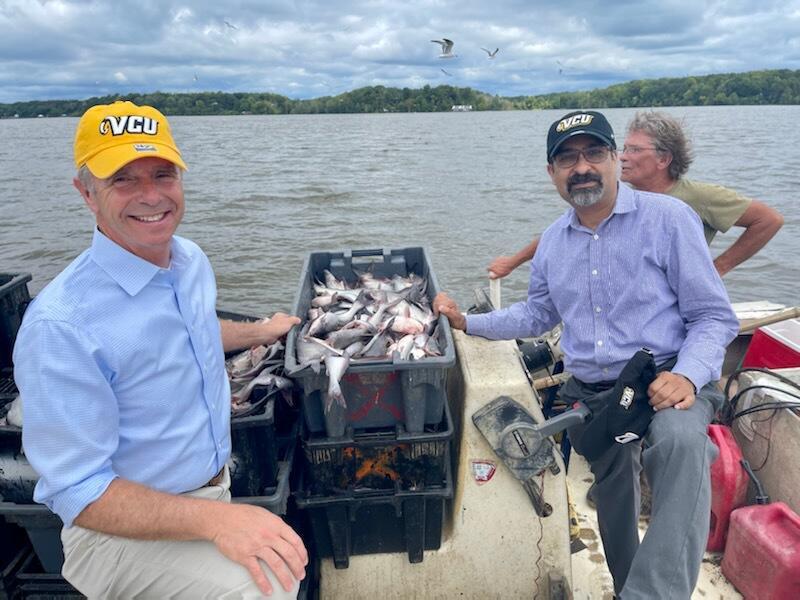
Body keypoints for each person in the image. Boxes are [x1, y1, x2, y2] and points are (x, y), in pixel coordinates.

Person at [434, 110, 739, 598]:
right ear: (552, 173)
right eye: (567, 158)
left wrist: (686, 375)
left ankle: (651, 594)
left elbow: (714, 318)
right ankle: (625, 585)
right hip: (595, 394)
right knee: (613, 489)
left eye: (594, 153)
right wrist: (468, 323)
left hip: (667, 377)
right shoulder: (554, 241)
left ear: (617, 159)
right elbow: (537, 316)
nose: (582, 167)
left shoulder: (669, 220)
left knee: (681, 445)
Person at [13, 101, 307, 599]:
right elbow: (78, 491)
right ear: (85, 193)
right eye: (122, 179)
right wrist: (216, 521)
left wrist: (260, 332)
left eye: (162, 174)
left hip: (210, 491)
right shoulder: (60, 325)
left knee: (284, 565)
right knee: (266, 587)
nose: (151, 195)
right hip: (113, 531)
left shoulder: (190, 261)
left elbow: (193, 333)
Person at [487, 110, 783, 279]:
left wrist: (719, 267)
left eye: (635, 150)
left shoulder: (697, 197)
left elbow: (768, 220)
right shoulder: (621, 198)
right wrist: (514, 261)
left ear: (664, 159)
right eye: (623, 149)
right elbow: (565, 231)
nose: (624, 157)